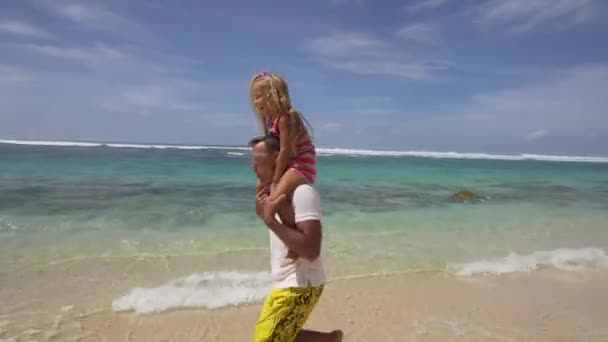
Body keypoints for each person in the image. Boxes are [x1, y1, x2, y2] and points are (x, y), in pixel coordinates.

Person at [249, 134, 342, 342]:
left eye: (258, 161)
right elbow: (265, 215)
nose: (253, 167)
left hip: (301, 286)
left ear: (276, 158)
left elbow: (311, 250)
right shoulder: (273, 190)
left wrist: (270, 221)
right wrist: (261, 203)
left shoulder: (302, 193)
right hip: (285, 281)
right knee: (281, 336)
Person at [249, 72, 317, 204]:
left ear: (272, 96)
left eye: (258, 97)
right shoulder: (270, 122)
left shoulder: (284, 118)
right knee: (260, 188)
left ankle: (285, 224)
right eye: (254, 98)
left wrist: (276, 179)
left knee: (274, 198)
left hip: (301, 164)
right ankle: (272, 219)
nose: (255, 102)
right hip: (289, 163)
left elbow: (284, 151)